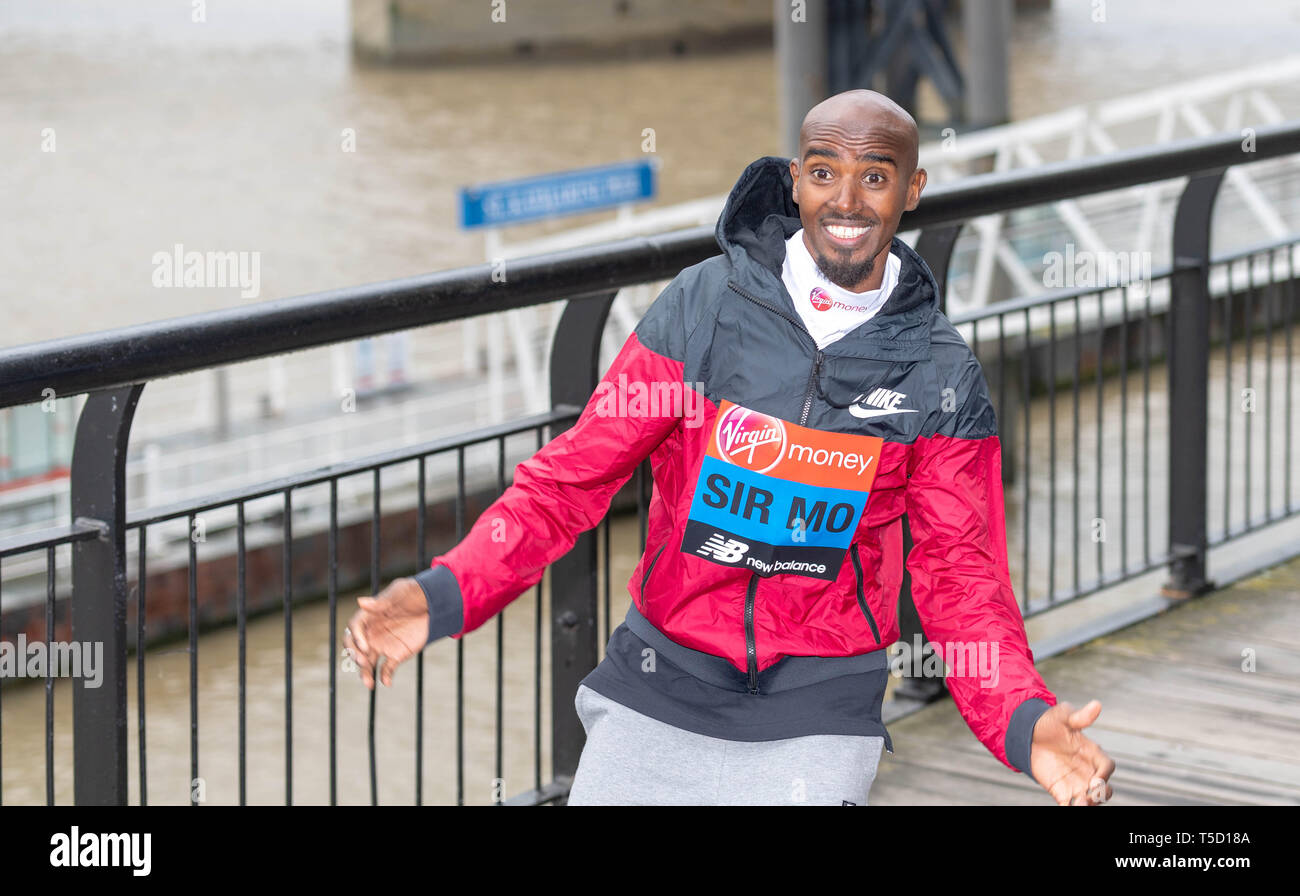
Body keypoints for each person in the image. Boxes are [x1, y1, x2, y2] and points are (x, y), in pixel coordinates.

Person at [343, 90, 1116, 807]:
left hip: (820, 704)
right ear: (795, 182)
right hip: (661, 677)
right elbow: (569, 482)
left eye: (875, 177)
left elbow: (960, 576)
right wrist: (447, 594)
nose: (846, 202)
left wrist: (1022, 719)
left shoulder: (942, 374)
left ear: (912, 190)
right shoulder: (703, 307)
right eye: (824, 173)